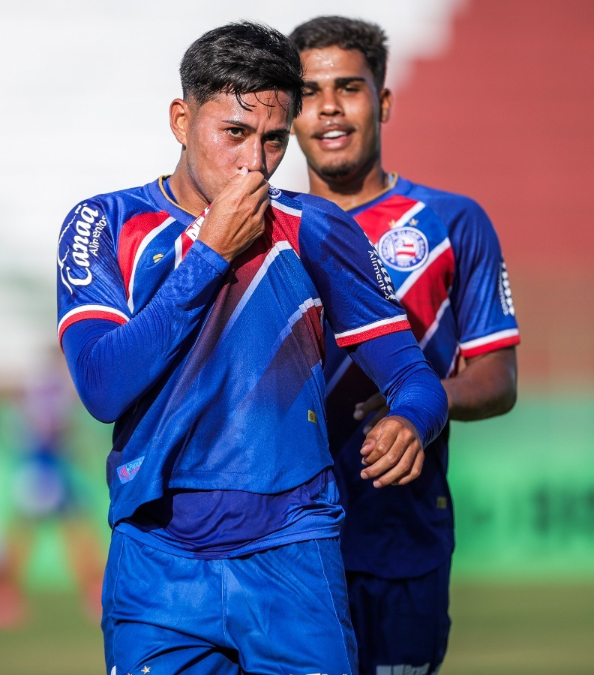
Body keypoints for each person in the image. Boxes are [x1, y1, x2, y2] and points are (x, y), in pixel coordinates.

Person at [56, 21, 448, 675]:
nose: (254, 163)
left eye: (272, 140)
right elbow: (101, 386)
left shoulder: (318, 227)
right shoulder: (107, 224)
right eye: (234, 133)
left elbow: (414, 374)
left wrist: (412, 418)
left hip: (296, 550)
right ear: (182, 120)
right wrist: (210, 253)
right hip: (159, 562)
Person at [289, 16, 519, 675]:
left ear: (383, 100)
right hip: (282, 545)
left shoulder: (453, 223)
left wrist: (418, 407)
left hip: (401, 536)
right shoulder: (260, 230)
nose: (329, 107)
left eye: (349, 88)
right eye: (308, 91)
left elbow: (498, 376)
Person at [0, 348, 104, 628]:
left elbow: (19, 427)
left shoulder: (37, 387)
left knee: (57, 532)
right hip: (45, 469)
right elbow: (50, 428)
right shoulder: (51, 386)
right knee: (39, 535)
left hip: (42, 468)